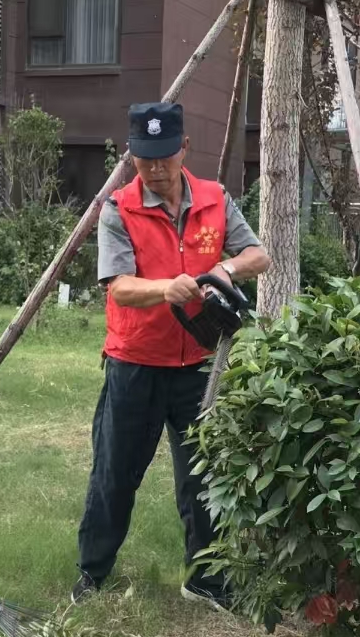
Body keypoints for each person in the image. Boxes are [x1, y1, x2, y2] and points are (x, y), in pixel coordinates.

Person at [72, 102, 271, 608]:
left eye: (164, 157)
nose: (156, 169)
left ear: (184, 148)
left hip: (199, 367)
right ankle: (93, 574)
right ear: (131, 156)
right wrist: (167, 289)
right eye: (144, 160)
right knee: (115, 473)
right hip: (135, 363)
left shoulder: (215, 198)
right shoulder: (118, 208)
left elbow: (258, 254)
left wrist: (226, 269)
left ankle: (204, 579)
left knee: (202, 476)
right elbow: (118, 287)